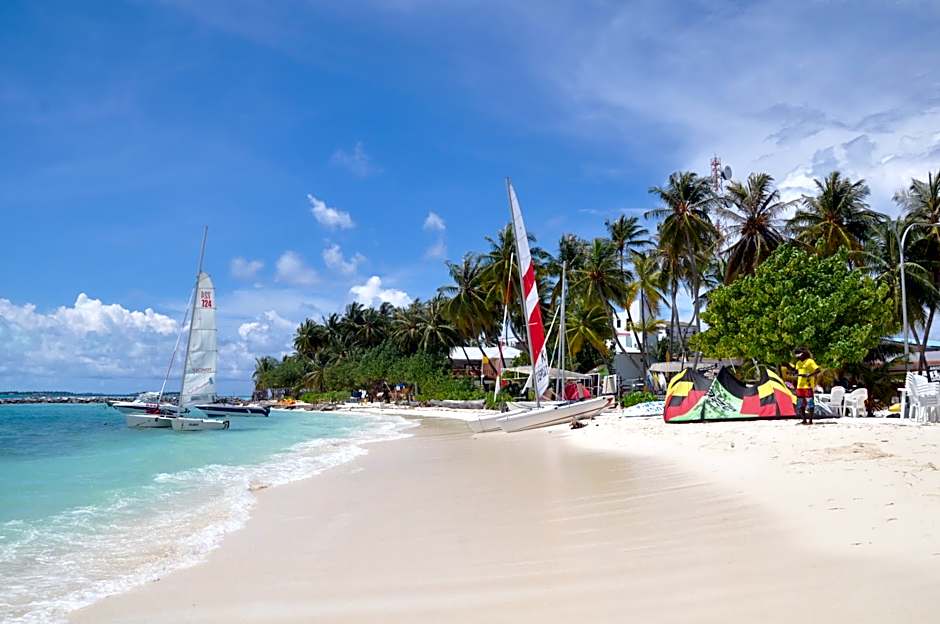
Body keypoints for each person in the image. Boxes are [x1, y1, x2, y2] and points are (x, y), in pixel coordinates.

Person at [789, 348, 820, 425]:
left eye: (798, 353)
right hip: (800, 386)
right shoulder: (798, 363)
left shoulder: (810, 361)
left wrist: (810, 375)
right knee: (800, 404)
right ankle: (804, 420)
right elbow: (796, 372)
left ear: (803, 353)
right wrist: (793, 373)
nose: (797, 356)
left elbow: (818, 370)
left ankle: (810, 420)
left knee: (810, 403)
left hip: (808, 386)